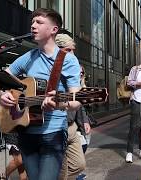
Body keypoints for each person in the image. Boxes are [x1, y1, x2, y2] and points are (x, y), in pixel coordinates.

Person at [0, 8, 81, 180]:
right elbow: (3, 79)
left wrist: (60, 103)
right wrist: (3, 94)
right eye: (32, 22)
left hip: (53, 133)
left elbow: (76, 100)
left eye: (39, 22)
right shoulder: (28, 57)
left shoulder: (68, 60)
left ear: (54, 30)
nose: (33, 26)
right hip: (27, 132)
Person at [55, 33, 91, 180]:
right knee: (61, 172)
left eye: (73, 50)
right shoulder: (49, 71)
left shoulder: (75, 71)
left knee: (79, 165)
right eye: (68, 50)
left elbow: (78, 103)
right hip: (55, 127)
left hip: (71, 127)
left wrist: (85, 121)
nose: (72, 54)